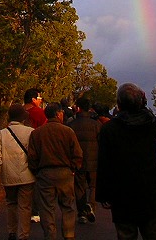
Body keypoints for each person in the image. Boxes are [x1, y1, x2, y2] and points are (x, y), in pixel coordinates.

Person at [96, 83, 156, 240]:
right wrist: (142, 104)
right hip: (151, 196)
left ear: (119, 104)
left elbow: (104, 164)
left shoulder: (109, 129)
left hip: (122, 196)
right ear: (142, 101)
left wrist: (103, 194)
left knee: (126, 235)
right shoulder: (150, 125)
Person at [27, 102, 83, 240]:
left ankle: (50, 235)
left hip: (45, 174)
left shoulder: (36, 133)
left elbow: (32, 157)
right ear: (59, 114)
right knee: (68, 207)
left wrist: (37, 172)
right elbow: (78, 154)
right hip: (65, 174)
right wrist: (73, 168)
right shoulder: (68, 131)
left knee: (46, 208)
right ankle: (69, 235)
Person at [0, 103, 37, 240]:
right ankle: (23, 234)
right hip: (27, 176)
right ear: (23, 118)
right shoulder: (31, 132)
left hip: (8, 177)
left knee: (11, 204)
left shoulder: (1, 134)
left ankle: (11, 231)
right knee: (25, 206)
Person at [68, 96, 101, 224]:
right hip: (94, 161)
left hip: (78, 161)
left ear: (78, 108)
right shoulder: (97, 125)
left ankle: (81, 212)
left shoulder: (71, 125)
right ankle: (91, 205)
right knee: (93, 185)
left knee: (79, 186)